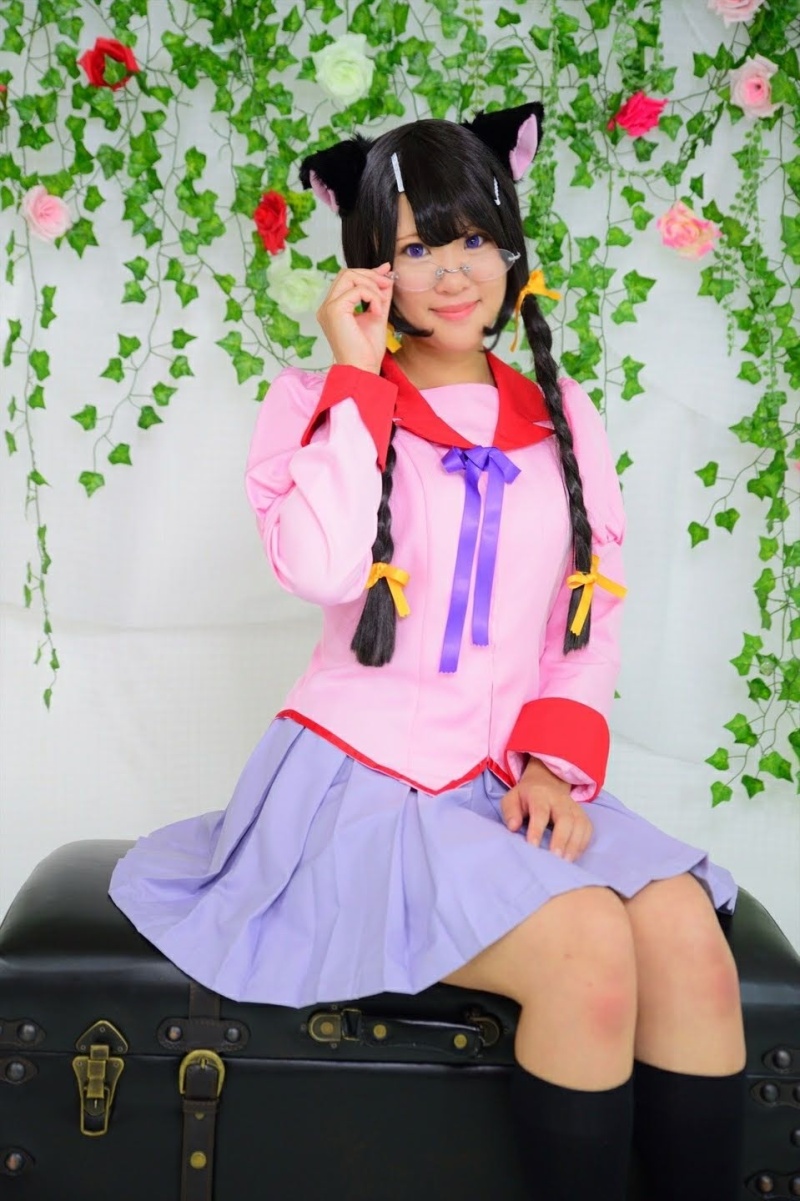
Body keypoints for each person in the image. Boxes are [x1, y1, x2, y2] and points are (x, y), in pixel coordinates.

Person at [109, 101, 747, 1200]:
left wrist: (551, 765)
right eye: (415, 249)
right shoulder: (315, 403)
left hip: (511, 783)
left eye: (473, 238)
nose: (452, 274)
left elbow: (587, 620)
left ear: (508, 245)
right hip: (361, 790)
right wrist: (356, 380)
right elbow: (320, 567)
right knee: (588, 944)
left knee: (687, 934)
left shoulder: (561, 412)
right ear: (372, 266)